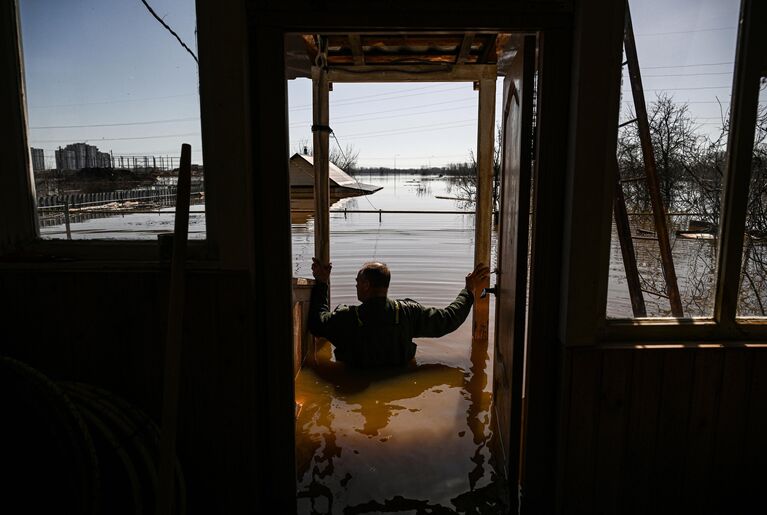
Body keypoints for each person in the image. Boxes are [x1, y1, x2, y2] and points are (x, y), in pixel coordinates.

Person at [308, 258, 490, 368]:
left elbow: (316, 323)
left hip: (352, 380)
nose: (355, 285)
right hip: (400, 374)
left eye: (357, 281)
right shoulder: (407, 313)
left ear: (366, 285)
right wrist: (468, 290)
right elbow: (449, 319)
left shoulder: (346, 318)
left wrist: (322, 283)